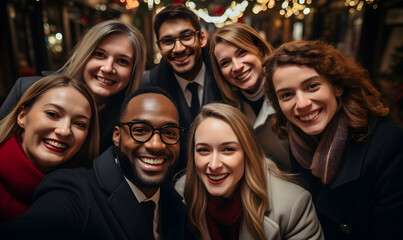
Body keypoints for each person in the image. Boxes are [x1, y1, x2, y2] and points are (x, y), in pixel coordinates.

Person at [1, 87, 192, 240]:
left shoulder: (176, 202)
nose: (156, 144)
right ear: (117, 136)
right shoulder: (73, 191)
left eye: (169, 133)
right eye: (140, 130)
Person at [264, 40, 403, 239]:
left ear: (337, 86)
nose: (302, 104)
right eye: (287, 95)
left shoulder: (389, 145)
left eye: (312, 86)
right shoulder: (297, 142)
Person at [175, 103, 324, 240]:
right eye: (203, 150)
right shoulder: (179, 194)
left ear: (248, 153)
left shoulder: (292, 204)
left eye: (228, 149)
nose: (214, 165)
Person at [0, 19, 146, 153]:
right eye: (99, 54)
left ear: (133, 71)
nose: (108, 68)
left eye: (122, 61)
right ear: (84, 55)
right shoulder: (29, 90)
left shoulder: (129, 119)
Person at [0, 75, 99, 221]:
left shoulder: (87, 194)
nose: (64, 130)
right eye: (52, 114)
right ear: (22, 116)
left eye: (79, 124)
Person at [142, 4, 222, 173]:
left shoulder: (225, 75)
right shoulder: (148, 85)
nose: (178, 49)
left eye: (186, 36)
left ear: (201, 38)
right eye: (167, 41)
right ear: (159, 47)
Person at [209, 23, 290, 171]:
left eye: (242, 53)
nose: (237, 66)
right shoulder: (230, 107)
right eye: (225, 63)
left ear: (258, 50)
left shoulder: (288, 89)